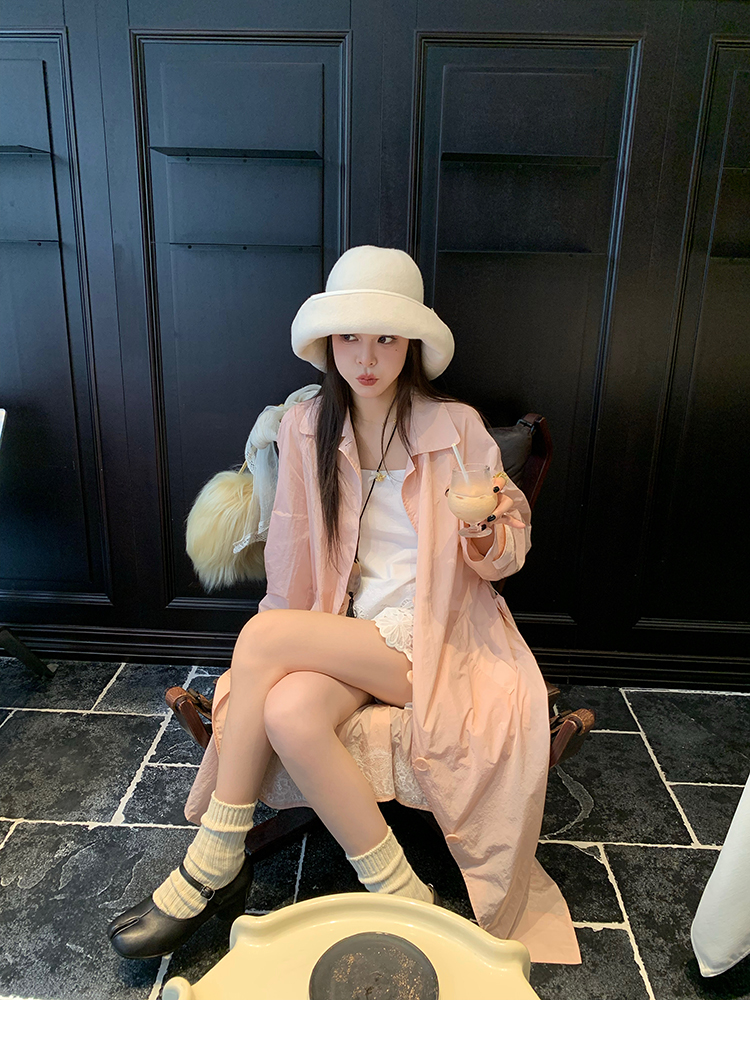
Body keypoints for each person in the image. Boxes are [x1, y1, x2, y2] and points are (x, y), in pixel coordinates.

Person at [107, 246, 580, 964]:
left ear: (411, 344)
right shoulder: (306, 426)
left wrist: (484, 530)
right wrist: (293, 644)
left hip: (435, 638)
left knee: (262, 640)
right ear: (329, 342)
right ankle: (402, 894)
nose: (367, 357)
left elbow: (507, 552)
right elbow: (292, 551)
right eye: (350, 337)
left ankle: (212, 863)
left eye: (386, 338)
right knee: (288, 710)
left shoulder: (455, 427)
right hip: (350, 632)